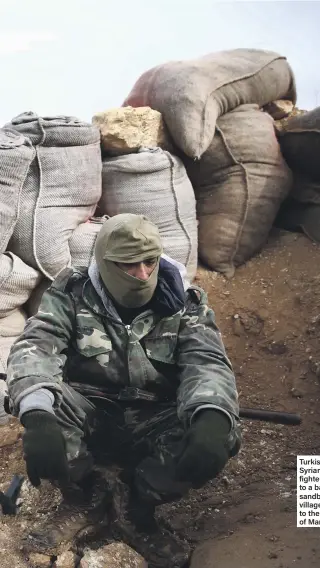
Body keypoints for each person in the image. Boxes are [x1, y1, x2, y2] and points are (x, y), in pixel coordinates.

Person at [6, 213, 241, 568]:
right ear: (104, 262)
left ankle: (137, 507)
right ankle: (84, 497)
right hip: (92, 414)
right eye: (128, 265)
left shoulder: (185, 301)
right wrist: (37, 414)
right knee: (44, 405)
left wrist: (211, 415)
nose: (143, 274)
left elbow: (206, 362)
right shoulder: (72, 292)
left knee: (217, 432)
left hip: (153, 419)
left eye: (150, 262)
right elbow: (37, 346)